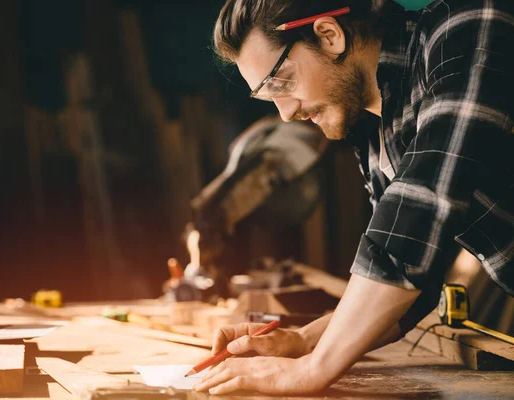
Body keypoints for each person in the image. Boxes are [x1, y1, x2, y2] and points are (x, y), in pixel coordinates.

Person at [194, 0, 514, 395]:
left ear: (329, 35)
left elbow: (427, 199)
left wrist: (313, 370)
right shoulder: (375, 127)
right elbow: (417, 278)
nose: (285, 113)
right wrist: (305, 341)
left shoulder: (470, 24)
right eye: (268, 97)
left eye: (281, 84)